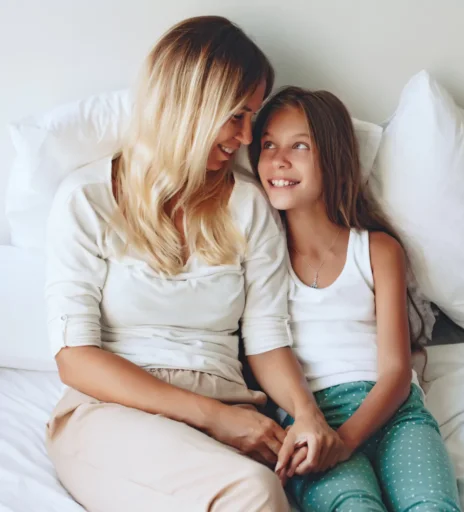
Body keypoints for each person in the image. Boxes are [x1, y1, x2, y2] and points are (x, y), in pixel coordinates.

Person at [44, 16, 343, 511]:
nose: (247, 138)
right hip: (111, 412)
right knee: (251, 492)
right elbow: (75, 357)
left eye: (253, 118)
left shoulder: (248, 207)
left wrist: (308, 415)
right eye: (236, 116)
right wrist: (214, 418)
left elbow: (267, 339)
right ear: (189, 105)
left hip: (231, 410)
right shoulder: (87, 199)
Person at [251, 87, 461, 511]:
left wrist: (345, 442)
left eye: (300, 146)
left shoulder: (378, 250)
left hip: (394, 413)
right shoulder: (259, 258)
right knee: (354, 505)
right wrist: (321, 433)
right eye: (268, 145)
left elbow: (397, 372)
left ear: (333, 158)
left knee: (432, 507)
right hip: (310, 418)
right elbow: (261, 348)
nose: (278, 159)